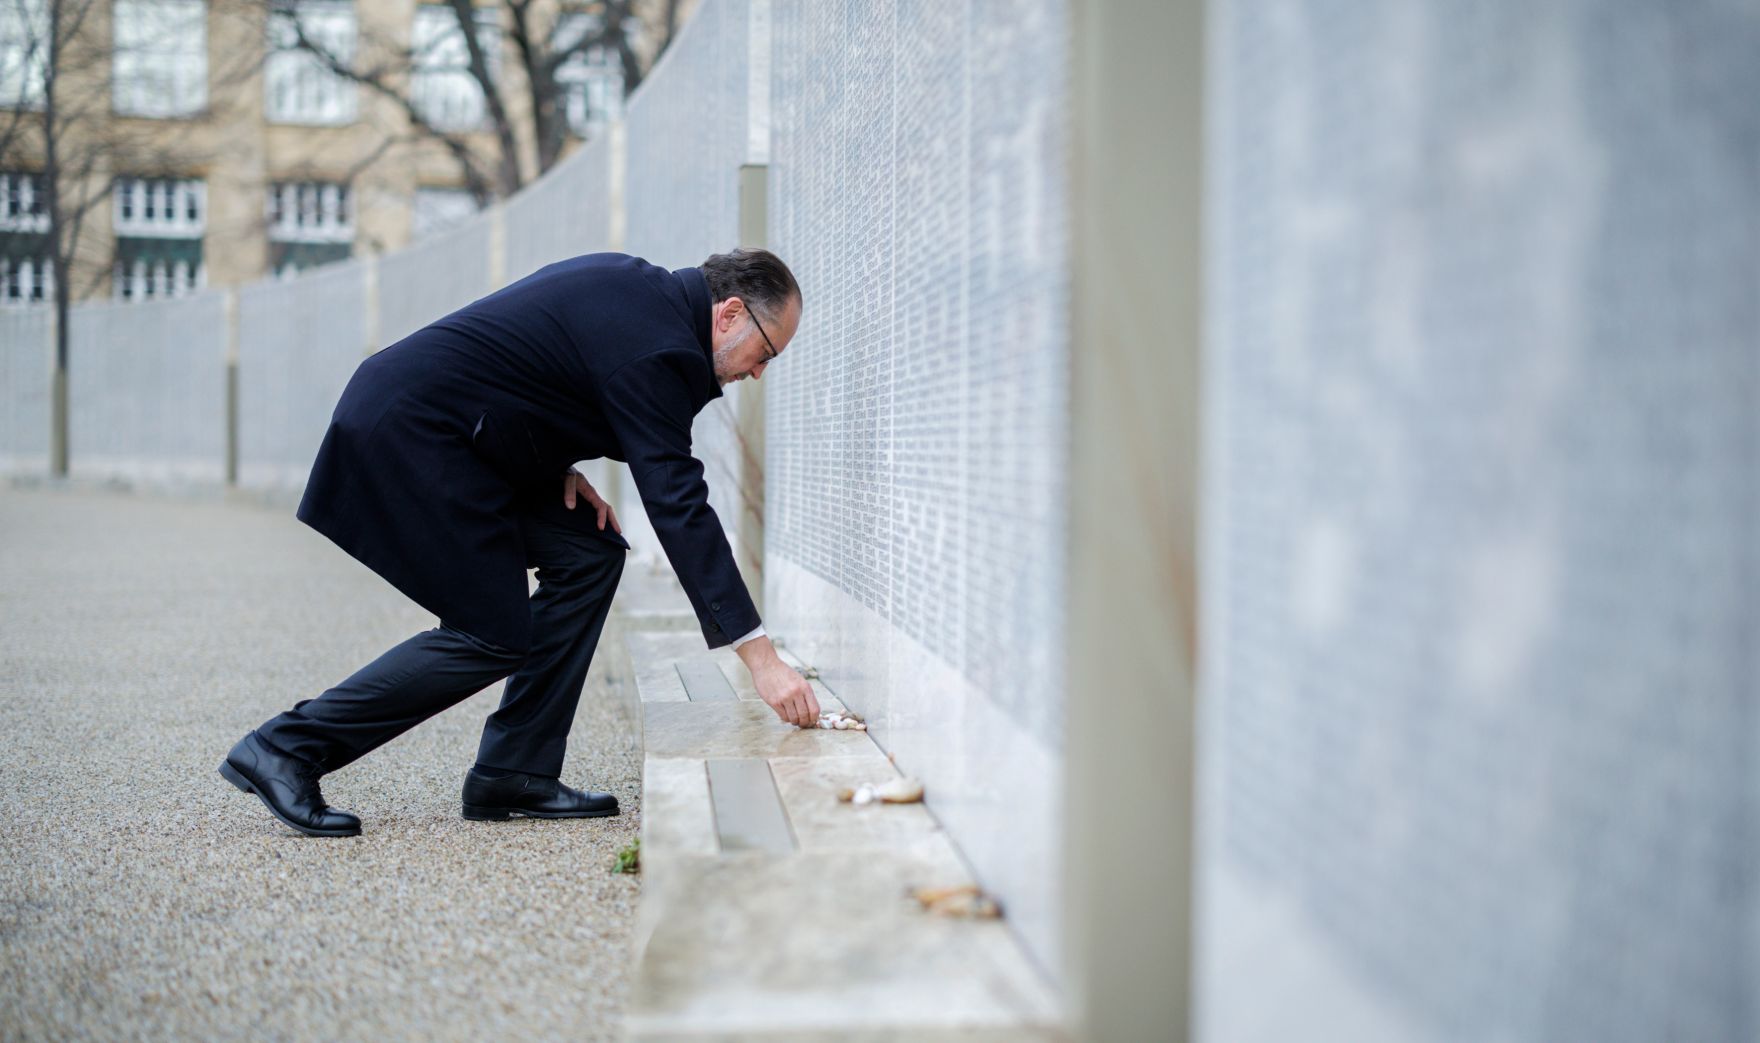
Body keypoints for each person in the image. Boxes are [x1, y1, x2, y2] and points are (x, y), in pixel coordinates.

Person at [219, 249, 820, 838]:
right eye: (765, 352)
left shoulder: (640, 295)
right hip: (414, 437)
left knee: (588, 551)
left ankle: (516, 770)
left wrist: (556, 466)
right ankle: (286, 748)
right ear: (730, 314)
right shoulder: (659, 346)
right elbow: (678, 505)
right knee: (489, 633)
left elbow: (530, 365)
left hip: (457, 433)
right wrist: (760, 659)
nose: (758, 373)